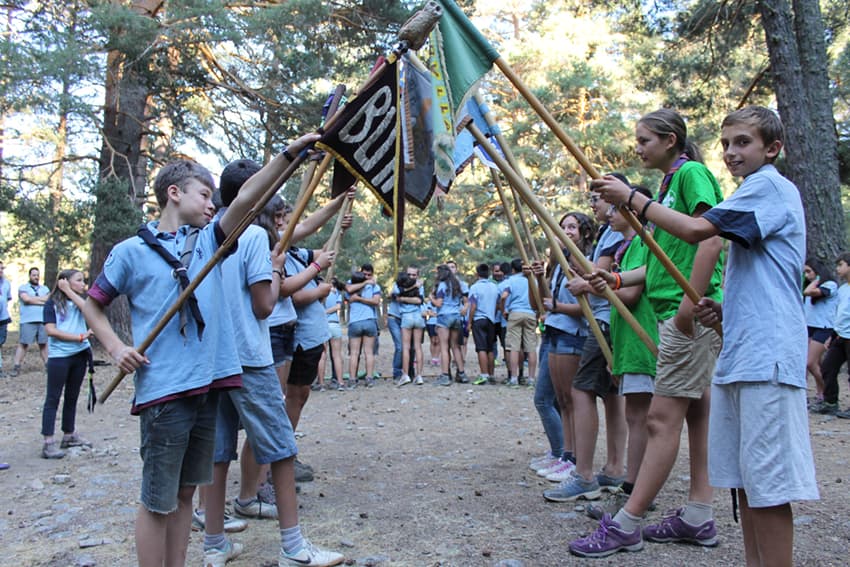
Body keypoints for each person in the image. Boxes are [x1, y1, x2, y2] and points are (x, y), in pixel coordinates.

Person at [83, 134, 342, 567]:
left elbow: (245, 201)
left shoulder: (207, 244)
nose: (212, 204)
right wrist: (115, 347)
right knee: (158, 499)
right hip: (164, 392)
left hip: (206, 386)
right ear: (174, 193)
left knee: (187, 493)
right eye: (204, 195)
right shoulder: (130, 251)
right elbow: (94, 303)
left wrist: (290, 155)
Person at [584, 105, 819, 567]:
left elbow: (698, 231)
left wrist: (632, 198)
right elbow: (766, 274)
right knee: (748, 484)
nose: (731, 153)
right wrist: (724, 307)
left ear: (772, 149)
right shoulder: (752, 192)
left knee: (766, 486)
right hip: (743, 350)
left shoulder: (770, 186)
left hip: (767, 357)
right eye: (727, 143)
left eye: (744, 143)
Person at [568, 109, 724, 557]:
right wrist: (616, 281)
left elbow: (710, 237)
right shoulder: (668, 185)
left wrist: (689, 306)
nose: (637, 148)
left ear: (670, 140)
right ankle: (698, 513)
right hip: (672, 310)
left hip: (685, 312)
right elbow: (660, 257)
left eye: (643, 141)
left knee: (659, 419)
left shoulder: (691, 172)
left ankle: (627, 523)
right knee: (696, 416)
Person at [199, 157, 343, 567]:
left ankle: (213, 544)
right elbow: (264, 305)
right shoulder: (255, 238)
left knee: (218, 452)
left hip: (213, 357)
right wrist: (276, 273)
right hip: (248, 355)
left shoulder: (207, 232)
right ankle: (294, 547)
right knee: (281, 447)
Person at [545, 182, 628, 494]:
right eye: (592, 198)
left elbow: (603, 278)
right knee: (611, 396)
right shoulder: (610, 232)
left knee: (582, 391)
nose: (594, 204)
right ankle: (615, 468)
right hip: (606, 320)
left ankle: (584, 474)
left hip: (604, 320)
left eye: (599, 198)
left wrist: (581, 276)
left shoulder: (618, 232)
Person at [584, 188, 659, 520]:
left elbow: (631, 296)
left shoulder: (645, 244)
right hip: (627, 340)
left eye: (616, 208)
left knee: (640, 418)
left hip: (642, 337)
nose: (608, 214)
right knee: (634, 416)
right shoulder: (628, 249)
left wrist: (607, 284)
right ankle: (634, 488)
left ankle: (635, 492)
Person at [530, 212, 594, 482]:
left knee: (570, 399)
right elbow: (541, 303)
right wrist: (535, 278)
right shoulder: (557, 262)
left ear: (584, 232)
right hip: (554, 331)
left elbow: (587, 308)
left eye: (572, 227)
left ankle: (575, 457)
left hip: (573, 334)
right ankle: (564, 454)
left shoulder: (583, 263)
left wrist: (557, 307)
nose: (566, 231)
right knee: (562, 401)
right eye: (563, 226)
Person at [40, 269, 93, 459]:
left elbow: (89, 310)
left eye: (83, 281)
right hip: (59, 357)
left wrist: (70, 292)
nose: (83, 284)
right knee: (53, 398)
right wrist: (78, 337)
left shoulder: (79, 301)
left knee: (72, 396)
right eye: (78, 280)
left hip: (79, 356)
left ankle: (69, 435)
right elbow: (51, 331)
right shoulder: (51, 304)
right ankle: (48, 442)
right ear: (65, 282)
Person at [815, 252, 850, 416]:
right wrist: (832, 335)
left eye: (840, 265)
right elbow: (840, 314)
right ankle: (830, 402)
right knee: (828, 367)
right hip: (840, 336)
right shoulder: (843, 290)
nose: (837, 269)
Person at [802, 258, 838, 408]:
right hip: (809, 326)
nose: (806, 275)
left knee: (810, 362)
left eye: (809, 271)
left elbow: (809, 292)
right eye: (805, 272)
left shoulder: (830, 285)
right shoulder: (807, 284)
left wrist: (816, 279)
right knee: (814, 363)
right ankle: (820, 394)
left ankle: (827, 392)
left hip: (824, 328)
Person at [499, 258, 538, 386]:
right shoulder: (533, 280)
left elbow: (504, 296)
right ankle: (531, 379)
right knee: (531, 348)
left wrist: (503, 309)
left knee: (514, 348)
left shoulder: (511, 281)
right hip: (531, 313)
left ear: (513, 269)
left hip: (515, 313)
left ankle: (514, 378)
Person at [431, 263, 468, 385]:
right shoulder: (456, 284)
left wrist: (431, 298)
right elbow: (464, 300)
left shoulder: (442, 285)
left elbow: (439, 303)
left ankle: (445, 375)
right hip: (456, 316)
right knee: (455, 346)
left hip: (444, 317)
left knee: (444, 347)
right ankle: (462, 373)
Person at [346, 264, 381, 387]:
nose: (366, 277)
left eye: (369, 275)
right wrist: (366, 283)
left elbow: (376, 302)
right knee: (367, 352)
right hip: (367, 321)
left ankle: (354, 379)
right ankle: (367, 378)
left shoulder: (372, 285)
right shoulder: (368, 285)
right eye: (364, 274)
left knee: (358, 353)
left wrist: (359, 299)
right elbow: (349, 292)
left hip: (359, 322)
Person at [12, 266, 49, 375]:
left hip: (42, 320)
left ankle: (48, 366)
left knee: (44, 343)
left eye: (37, 275)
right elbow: (26, 299)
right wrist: (41, 301)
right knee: (24, 343)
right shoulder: (23, 287)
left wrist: (33, 300)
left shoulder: (45, 288)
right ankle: (17, 366)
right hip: (28, 320)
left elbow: (48, 299)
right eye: (34, 275)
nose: (36, 277)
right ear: (30, 276)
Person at [467, 263, 499, 385]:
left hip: (479, 319)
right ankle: (491, 375)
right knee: (490, 348)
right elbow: (497, 304)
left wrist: (469, 322)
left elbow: (473, 306)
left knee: (481, 348)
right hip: (491, 320)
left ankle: (483, 374)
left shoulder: (475, 287)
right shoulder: (494, 287)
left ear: (477, 274)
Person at [395, 268, 426, 386]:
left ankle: (405, 375)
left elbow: (397, 296)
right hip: (418, 316)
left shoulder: (400, 283)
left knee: (406, 347)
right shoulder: (419, 285)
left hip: (406, 316)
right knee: (418, 347)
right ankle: (419, 375)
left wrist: (402, 299)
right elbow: (419, 300)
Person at [317, 278, 346, 390]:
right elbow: (338, 307)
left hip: (323, 325)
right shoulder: (337, 293)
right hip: (335, 324)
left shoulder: (319, 292)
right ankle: (340, 382)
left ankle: (321, 383)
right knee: (337, 355)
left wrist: (323, 312)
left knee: (322, 356)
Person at [0, 261, 11, 377]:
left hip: (3, 318)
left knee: (0, 343)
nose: (1, 271)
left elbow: (6, 299)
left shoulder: (6, 283)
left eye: (2, 268)